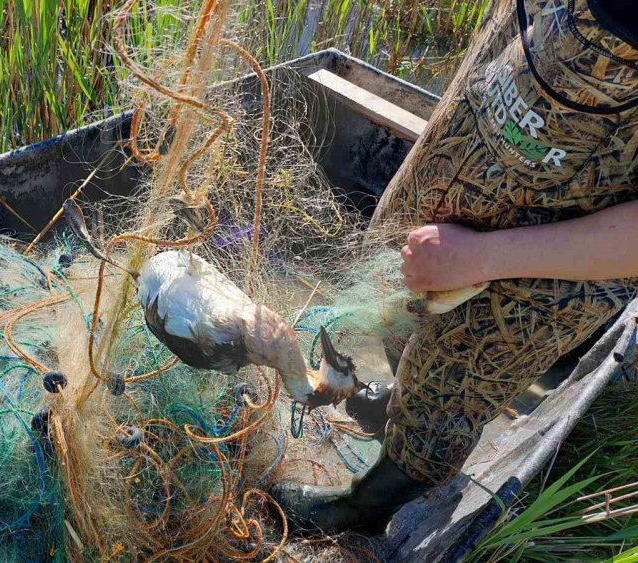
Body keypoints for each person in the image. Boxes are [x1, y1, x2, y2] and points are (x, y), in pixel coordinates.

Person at [272, 0, 638, 534]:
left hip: (544, 257)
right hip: (477, 137)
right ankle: (399, 401)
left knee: (453, 384)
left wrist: (482, 257)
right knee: (399, 303)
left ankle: (364, 510)